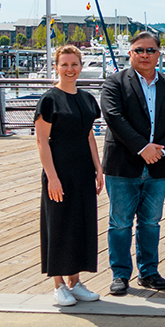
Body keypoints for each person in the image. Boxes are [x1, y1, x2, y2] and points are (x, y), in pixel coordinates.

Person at [100, 31, 165, 295]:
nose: (145, 55)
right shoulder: (115, 82)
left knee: (151, 222)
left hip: (158, 165)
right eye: (140, 50)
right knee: (120, 223)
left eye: (151, 50)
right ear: (130, 53)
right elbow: (113, 117)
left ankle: (149, 271)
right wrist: (142, 148)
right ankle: (120, 274)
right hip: (123, 166)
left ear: (159, 54)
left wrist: (159, 150)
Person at [35, 45, 103, 306]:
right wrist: (52, 177)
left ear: (81, 66)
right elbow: (42, 141)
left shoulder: (87, 98)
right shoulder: (50, 99)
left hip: (83, 170)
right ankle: (58, 284)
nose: (70, 69)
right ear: (56, 67)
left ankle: (75, 282)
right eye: (64, 64)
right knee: (59, 225)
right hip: (59, 170)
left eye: (74, 64)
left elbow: (89, 136)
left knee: (81, 224)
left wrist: (99, 168)